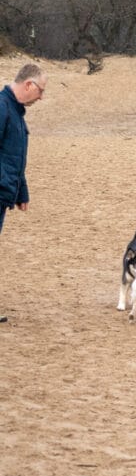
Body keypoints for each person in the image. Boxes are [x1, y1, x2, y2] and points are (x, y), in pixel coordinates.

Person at [1, 64, 47, 322]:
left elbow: (14, 157)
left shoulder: (16, 114)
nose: (41, 97)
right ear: (28, 85)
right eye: (40, 91)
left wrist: (22, 191)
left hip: (5, 193)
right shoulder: (2, 108)